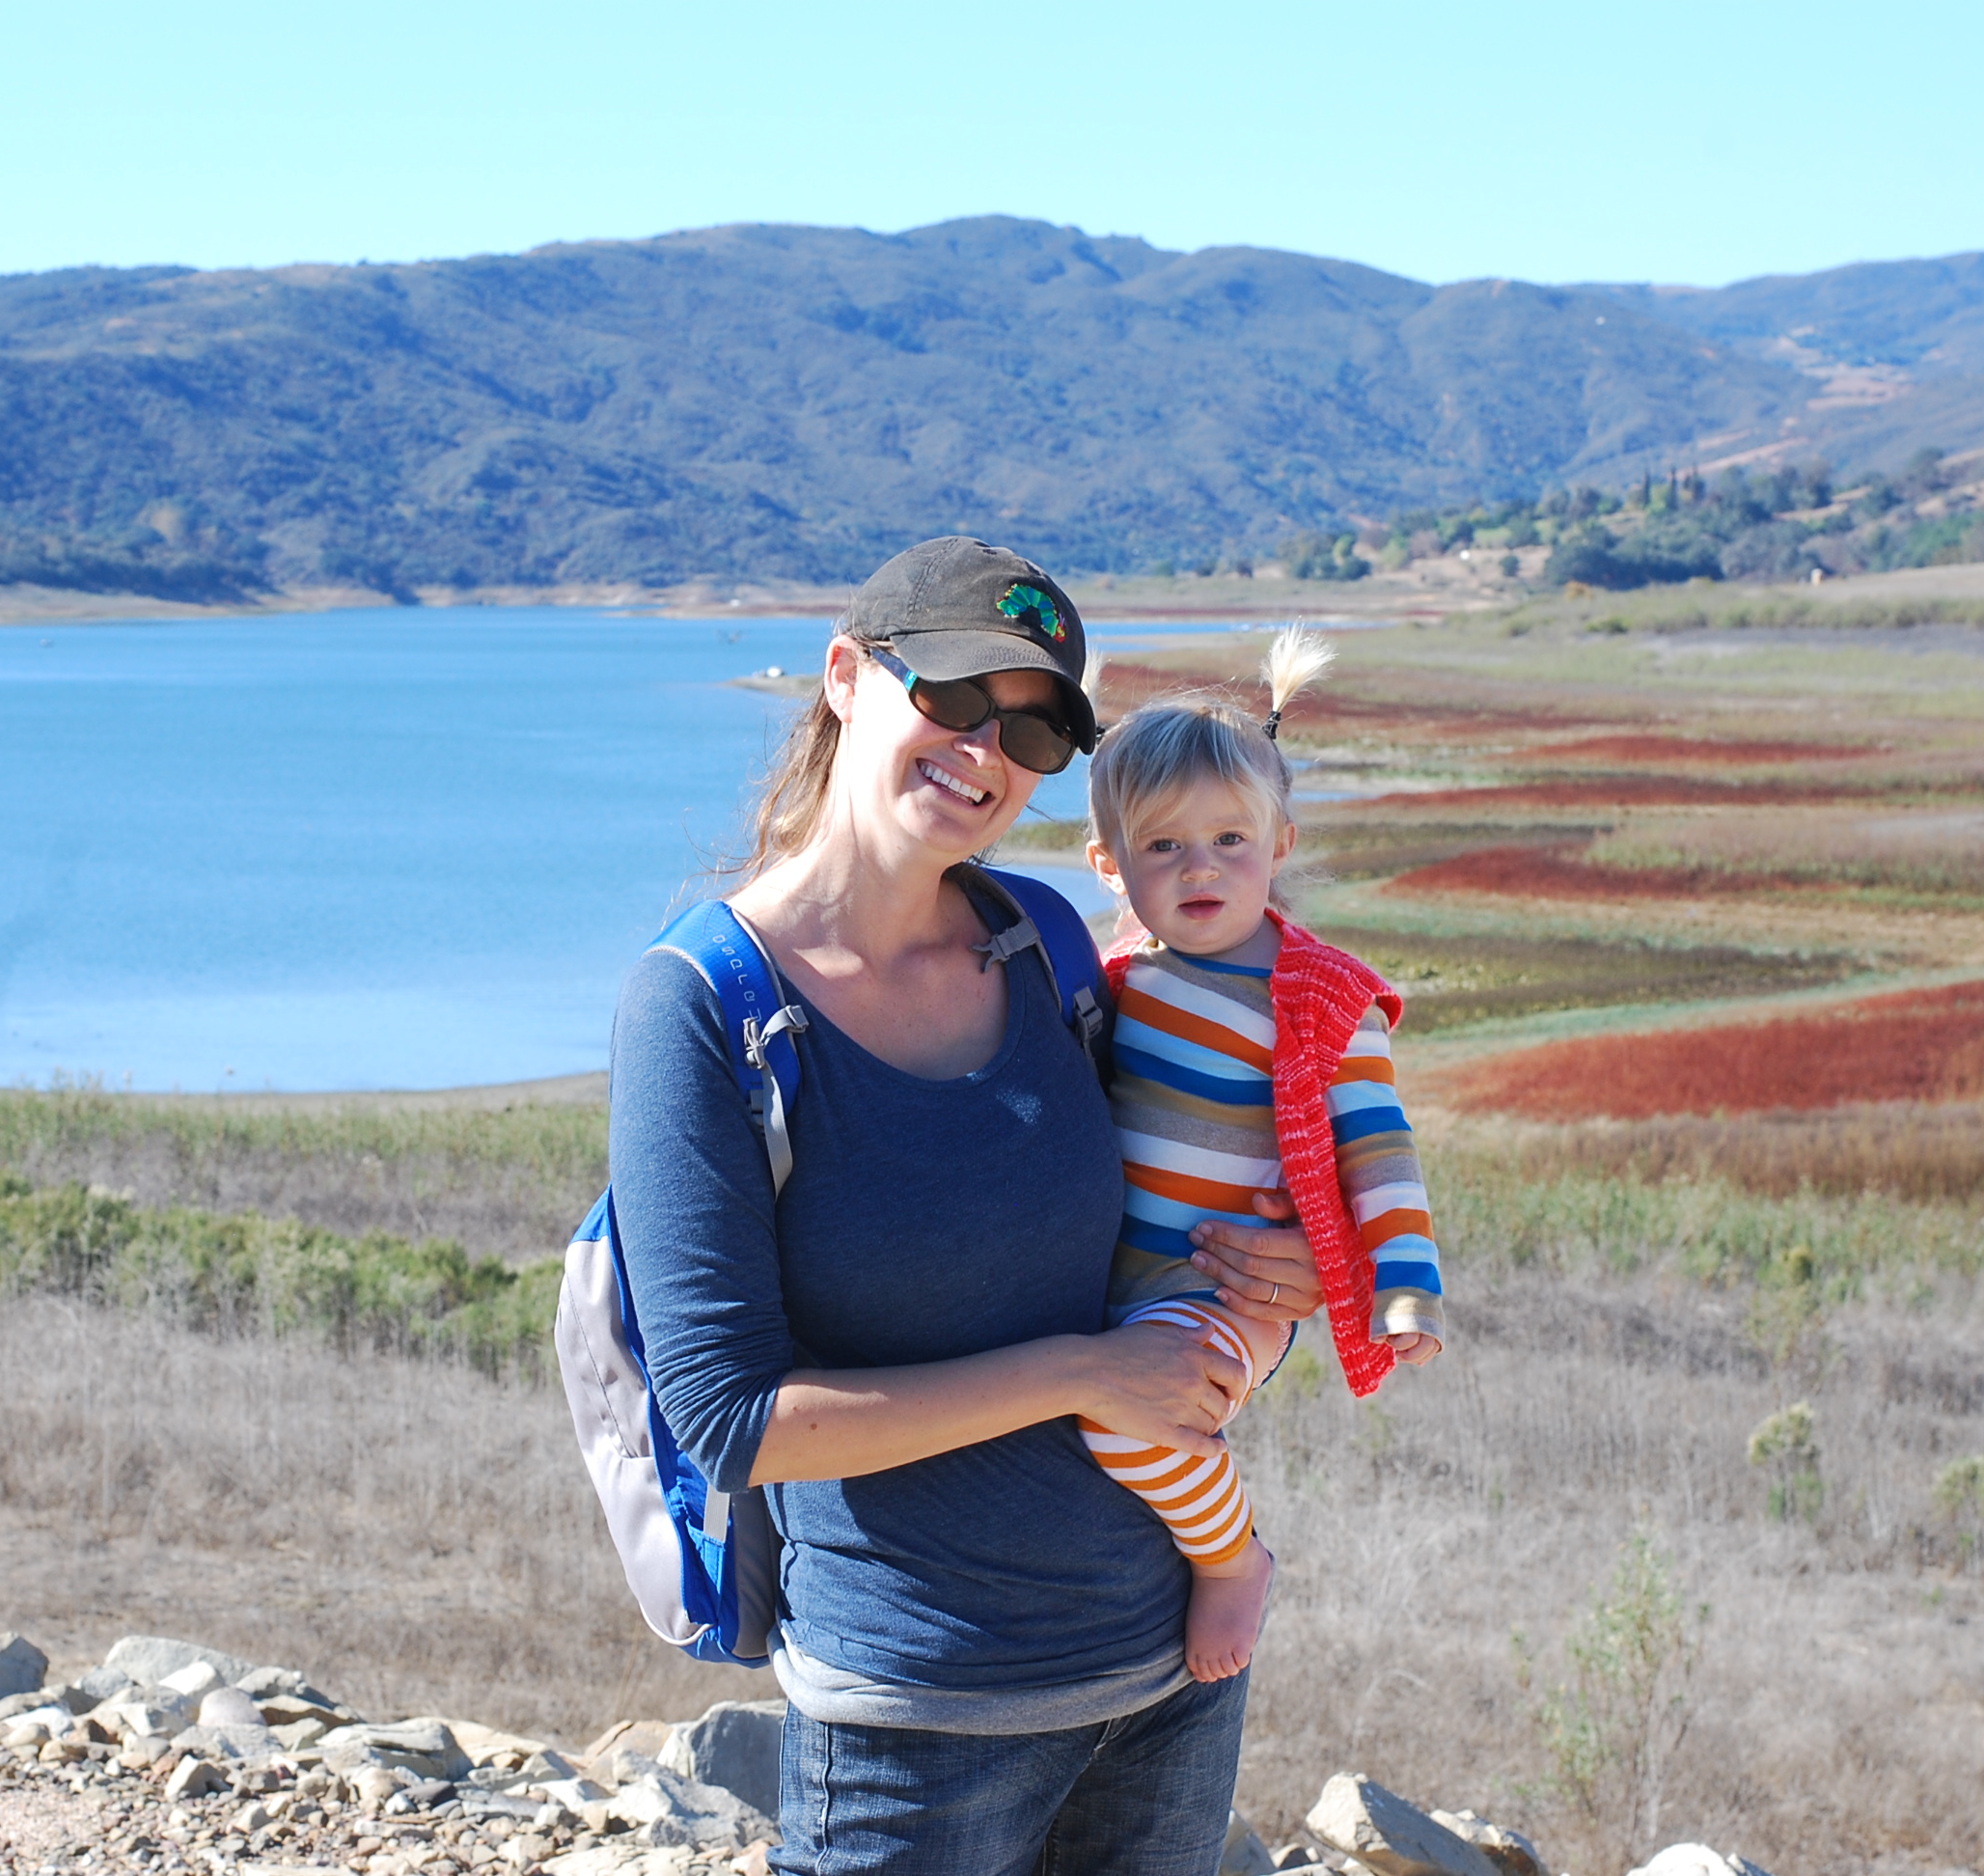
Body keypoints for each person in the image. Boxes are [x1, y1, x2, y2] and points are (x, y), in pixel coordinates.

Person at [608, 538, 1336, 1875]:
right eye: (951, 696)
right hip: (913, 1723)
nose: (985, 750)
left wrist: (1288, 1280)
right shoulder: (705, 1009)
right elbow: (733, 1423)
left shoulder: (1047, 947)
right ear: (844, 677)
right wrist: (1083, 1372)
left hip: (1170, 1678)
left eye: (1034, 728)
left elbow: (1175, 1214)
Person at [1078, 627, 1446, 1685]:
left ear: (1279, 843)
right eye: (1162, 846)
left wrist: (1404, 1290)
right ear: (1108, 864)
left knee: (1126, 1424)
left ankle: (1231, 1558)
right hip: (1114, 1283)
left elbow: (1379, 1150)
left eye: (1229, 839)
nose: (1199, 866)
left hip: (1224, 1292)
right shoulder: (1114, 980)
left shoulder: (1322, 995)